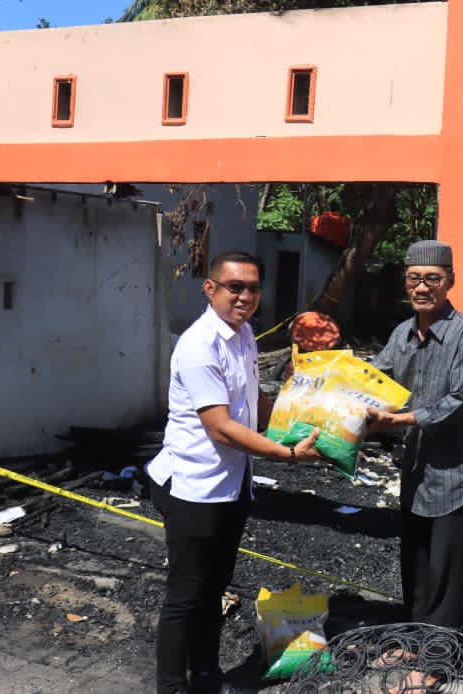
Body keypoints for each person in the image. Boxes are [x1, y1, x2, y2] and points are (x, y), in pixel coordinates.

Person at [147, 251, 320, 694]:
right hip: (193, 488)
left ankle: (207, 677)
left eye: (253, 288)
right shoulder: (199, 346)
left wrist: (313, 421)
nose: (245, 296)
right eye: (235, 287)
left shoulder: (243, 336)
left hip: (231, 485)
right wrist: (288, 454)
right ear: (211, 289)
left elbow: (255, 405)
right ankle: (172, 687)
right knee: (186, 597)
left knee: (214, 590)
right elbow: (221, 427)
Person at [367, 240, 463, 630]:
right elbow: (372, 379)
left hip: (454, 475)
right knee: (416, 568)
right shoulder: (401, 334)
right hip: (415, 470)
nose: (422, 288)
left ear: (450, 280)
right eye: (414, 279)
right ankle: (413, 642)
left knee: (444, 576)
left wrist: (398, 420)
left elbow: (461, 399)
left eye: (432, 279)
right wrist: (324, 383)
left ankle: (438, 653)